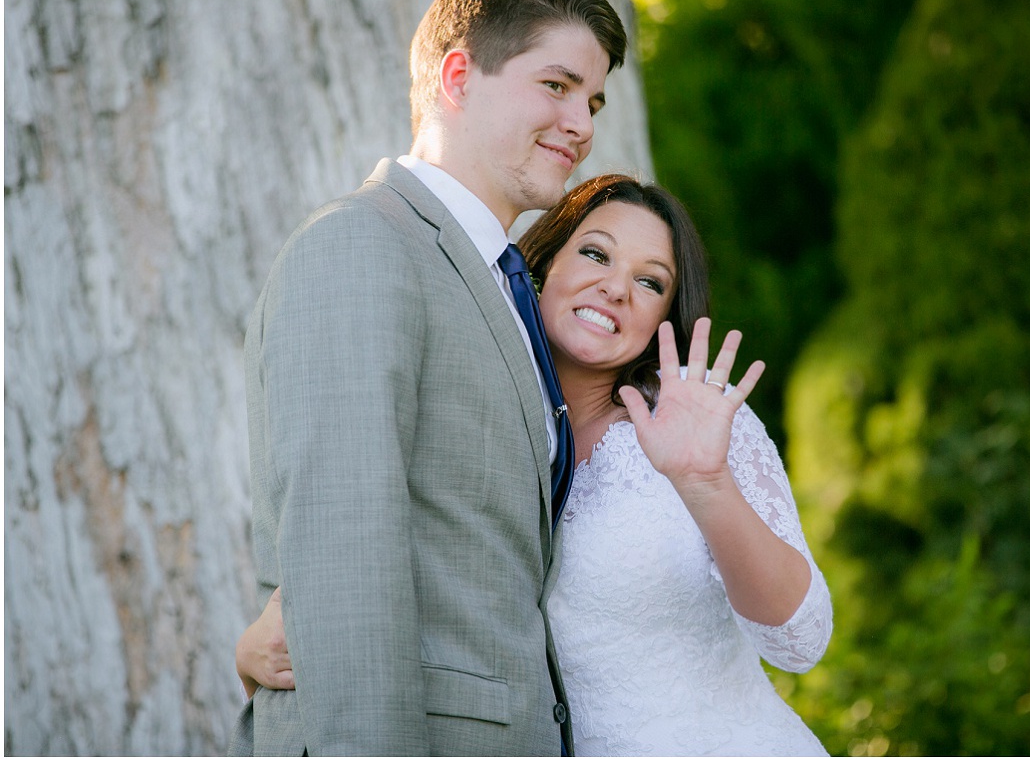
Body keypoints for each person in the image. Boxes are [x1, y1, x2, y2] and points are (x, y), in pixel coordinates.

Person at [238, 175, 834, 756]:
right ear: (542, 265)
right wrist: (260, 647)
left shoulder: (701, 425)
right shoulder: (470, 424)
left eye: (650, 283)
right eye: (596, 254)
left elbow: (800, 639)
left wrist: (705, 483)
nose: (616, 288)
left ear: (663, 320)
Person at [228, 0, 626, 756]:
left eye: (593, 101)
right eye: (557, 84)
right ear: (457, 76)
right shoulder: (360, 245)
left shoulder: (509, 288)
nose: (580, 123)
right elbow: (345, 555)